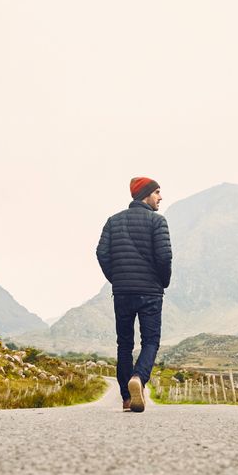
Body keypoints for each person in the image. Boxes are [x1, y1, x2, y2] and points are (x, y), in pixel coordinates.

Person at [96, 176, 172, 413]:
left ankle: (127, 398)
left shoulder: (113, 222)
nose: (161, 197)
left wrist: (117, 279)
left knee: (124, 344)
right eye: (157, 192)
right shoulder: (157, 222)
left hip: (122, 292)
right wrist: (163, 282)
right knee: (150, 341)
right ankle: (138, 378)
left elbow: (102, 254)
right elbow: (164, 257)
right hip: (150, 292)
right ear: (146, 195)